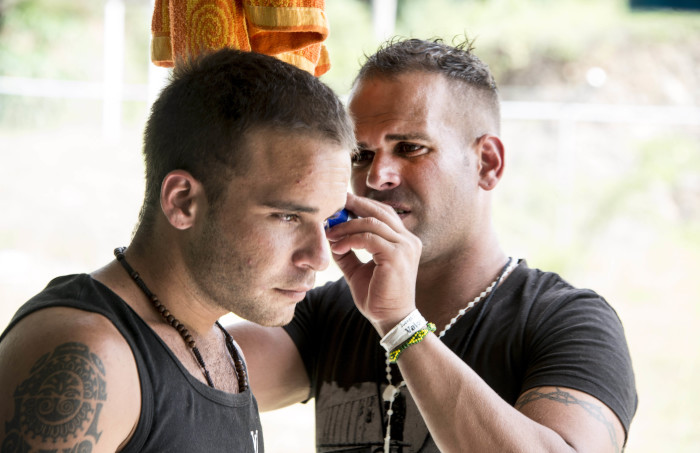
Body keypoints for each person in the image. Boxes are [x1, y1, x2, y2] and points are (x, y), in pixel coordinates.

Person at [231, 38, 638, 453]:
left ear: (487, 163)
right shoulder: (334, 311)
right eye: (361, 155)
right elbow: (185, 377)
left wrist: (401, 326)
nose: (377, 177)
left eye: (409, 148)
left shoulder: (570, 321)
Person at [0, 48, 355, 452]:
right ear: (183, 201)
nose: (320, 257)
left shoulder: (216, 344)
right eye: (288, 217)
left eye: (328, 220)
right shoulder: (89, 358)